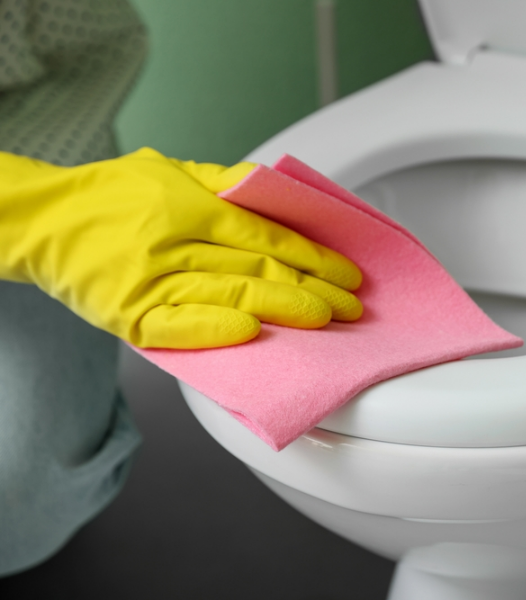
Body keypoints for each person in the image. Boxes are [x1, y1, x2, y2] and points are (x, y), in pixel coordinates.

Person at [0, 0, 362, 575]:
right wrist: (33, 219)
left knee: (18, 496)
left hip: (24, 130)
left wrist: (53, 198)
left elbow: (80, 44)